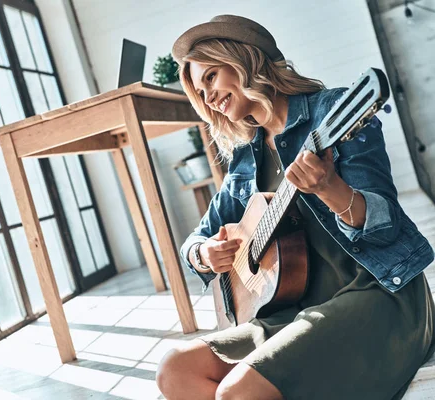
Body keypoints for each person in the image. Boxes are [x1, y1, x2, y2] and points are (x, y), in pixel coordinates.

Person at [156, 15, 435, 400]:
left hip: (374, 295)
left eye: (211, 77)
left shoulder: (333, 112)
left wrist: (329, 187)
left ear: (243, 61)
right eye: (199, 91)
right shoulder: (244, 160)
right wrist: (204, 254)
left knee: (237, 391)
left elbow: (385, 226)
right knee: (174, 371)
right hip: (294, 309)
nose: (208, 97)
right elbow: (195, 240)